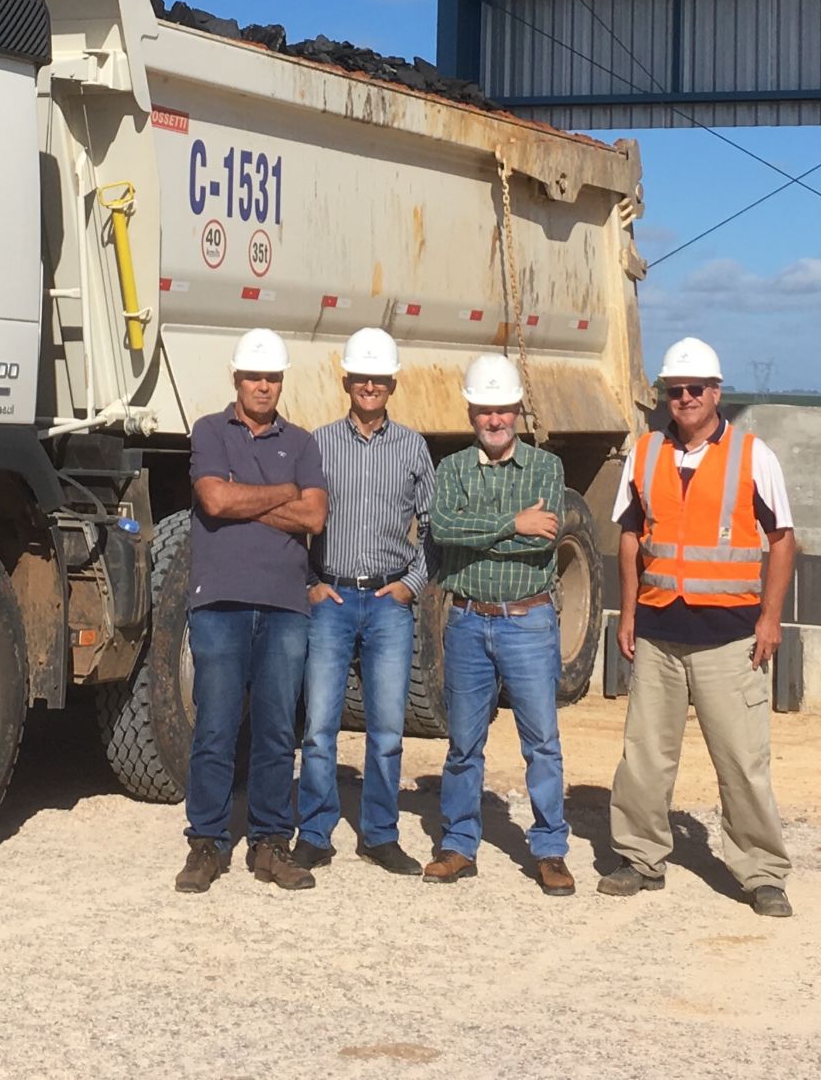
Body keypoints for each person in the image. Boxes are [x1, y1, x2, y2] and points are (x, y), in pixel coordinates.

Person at [600, 337, 795, 917]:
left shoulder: (752, 455)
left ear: (716, 393)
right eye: (673, 390)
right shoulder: (645, 452)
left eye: (694, 390)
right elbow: (630, 538)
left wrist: (770, 620)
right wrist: (629, 612)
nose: (683, 399)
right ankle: (640, 857)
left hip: (731, 638)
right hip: (659, 632)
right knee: (645, 757)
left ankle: (761, 872)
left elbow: (783, 540)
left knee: (741, 760)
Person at [174, 328, 329, 894]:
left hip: (286, 606)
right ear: (236, 379)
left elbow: (315, 518)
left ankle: (270, 842)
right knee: (215, 726)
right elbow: (213, 498)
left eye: (272, 378)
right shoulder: (211, 431)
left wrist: (247, 498)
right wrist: (282, 493)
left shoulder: (303, 443)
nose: (263, 386)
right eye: (254, 377)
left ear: (280, 382)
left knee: (274, 730)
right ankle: (206, 843)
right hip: (219, 602)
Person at [424, 353, 575, 896]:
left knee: (541, 742)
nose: (495, 420)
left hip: (528, 621)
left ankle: (551, 848)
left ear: (517, 412)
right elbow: (443, 530)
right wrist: (514, 522)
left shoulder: (546, 468)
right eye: (485, 411)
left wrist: (481, 531)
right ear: (471, 414)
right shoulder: (452, 470)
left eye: (504, 410)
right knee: (463, 743)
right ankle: (459, 845)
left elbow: (545, 542)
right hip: (467, 621)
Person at [296, 328, 435, 875]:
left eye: (379, 378)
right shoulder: (318, 444)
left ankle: (379, 834)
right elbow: (297, 519)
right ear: (347, 381)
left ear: (392, 383)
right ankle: (314, 833)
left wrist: (411, 585)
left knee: (386, 731)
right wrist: (309, 579)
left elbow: (434, 527)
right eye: (361, 377)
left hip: (387, 601)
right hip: (331, 597)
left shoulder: (413, 448)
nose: (370, 385)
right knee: (319, 728)